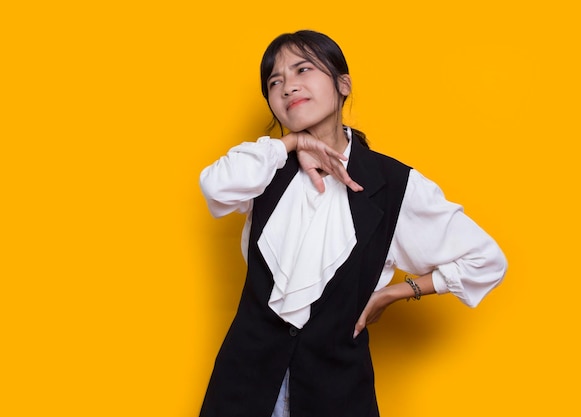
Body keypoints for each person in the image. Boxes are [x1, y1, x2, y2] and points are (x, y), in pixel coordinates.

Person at [198, 30, 507, 417]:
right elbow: (214, 186)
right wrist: (292, 145)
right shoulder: (266, 167)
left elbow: (486, 259)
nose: (288, 86)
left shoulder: (392, 184)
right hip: (243, 388)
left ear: (343, 84)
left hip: (337, 392)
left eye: (302, 69)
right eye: (275, 82)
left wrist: (397, 292)